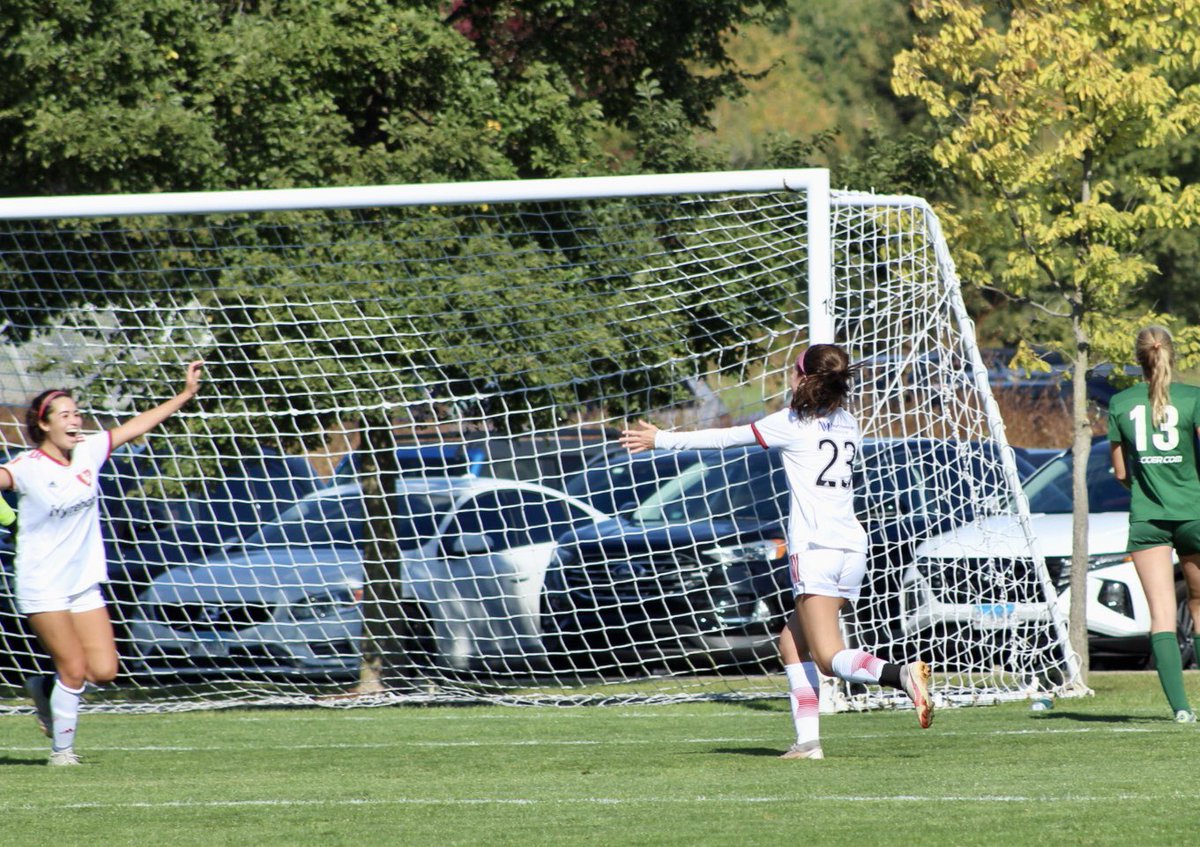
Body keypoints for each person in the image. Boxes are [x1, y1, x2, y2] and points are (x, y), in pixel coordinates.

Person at [621, 344, 932, 760]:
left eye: (793, 372)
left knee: (826, 656)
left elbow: (726, 438)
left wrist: (661, 439)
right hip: (851, 547)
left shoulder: (791, 424)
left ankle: (902, 675)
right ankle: (807, 743)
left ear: (804, 379)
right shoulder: (847, 421)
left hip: (817, 547)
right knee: (791, 644)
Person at [0, 361, 204, 765]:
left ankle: (43, 687)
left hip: (83, 583)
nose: (75, 420)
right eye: (65, 415)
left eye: (77, 412)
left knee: (104, 671)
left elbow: (139, 425)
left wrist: (185, 395)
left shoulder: (90, 451)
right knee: (73, 668)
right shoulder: (27, 468)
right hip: (42, 584)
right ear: (44, 426)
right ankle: (63, 753)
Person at [1108, 325, 1200, 723]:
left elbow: (1119, 473)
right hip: (1194, 512)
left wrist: (1147, 484)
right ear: (1170, 355)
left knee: (1162, 615)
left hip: (1147, 519)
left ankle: (1180, 709)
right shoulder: (1192, 398)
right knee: (1199, 605)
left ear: (1138, 358)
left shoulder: (1119, 403)